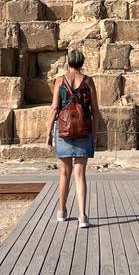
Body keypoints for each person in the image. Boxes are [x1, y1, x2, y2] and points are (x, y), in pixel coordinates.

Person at [46, 49, 99, 228]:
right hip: (84, 130)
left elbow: (54, 108)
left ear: (68, 62)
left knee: (64, 172)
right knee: (80, 174)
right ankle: (82, 216)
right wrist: (96, 132)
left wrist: (47, 135)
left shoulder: (60, 81)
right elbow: (95, 110)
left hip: (64, 131)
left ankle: (62, 211)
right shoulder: (88, 81)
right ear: (82, 62)